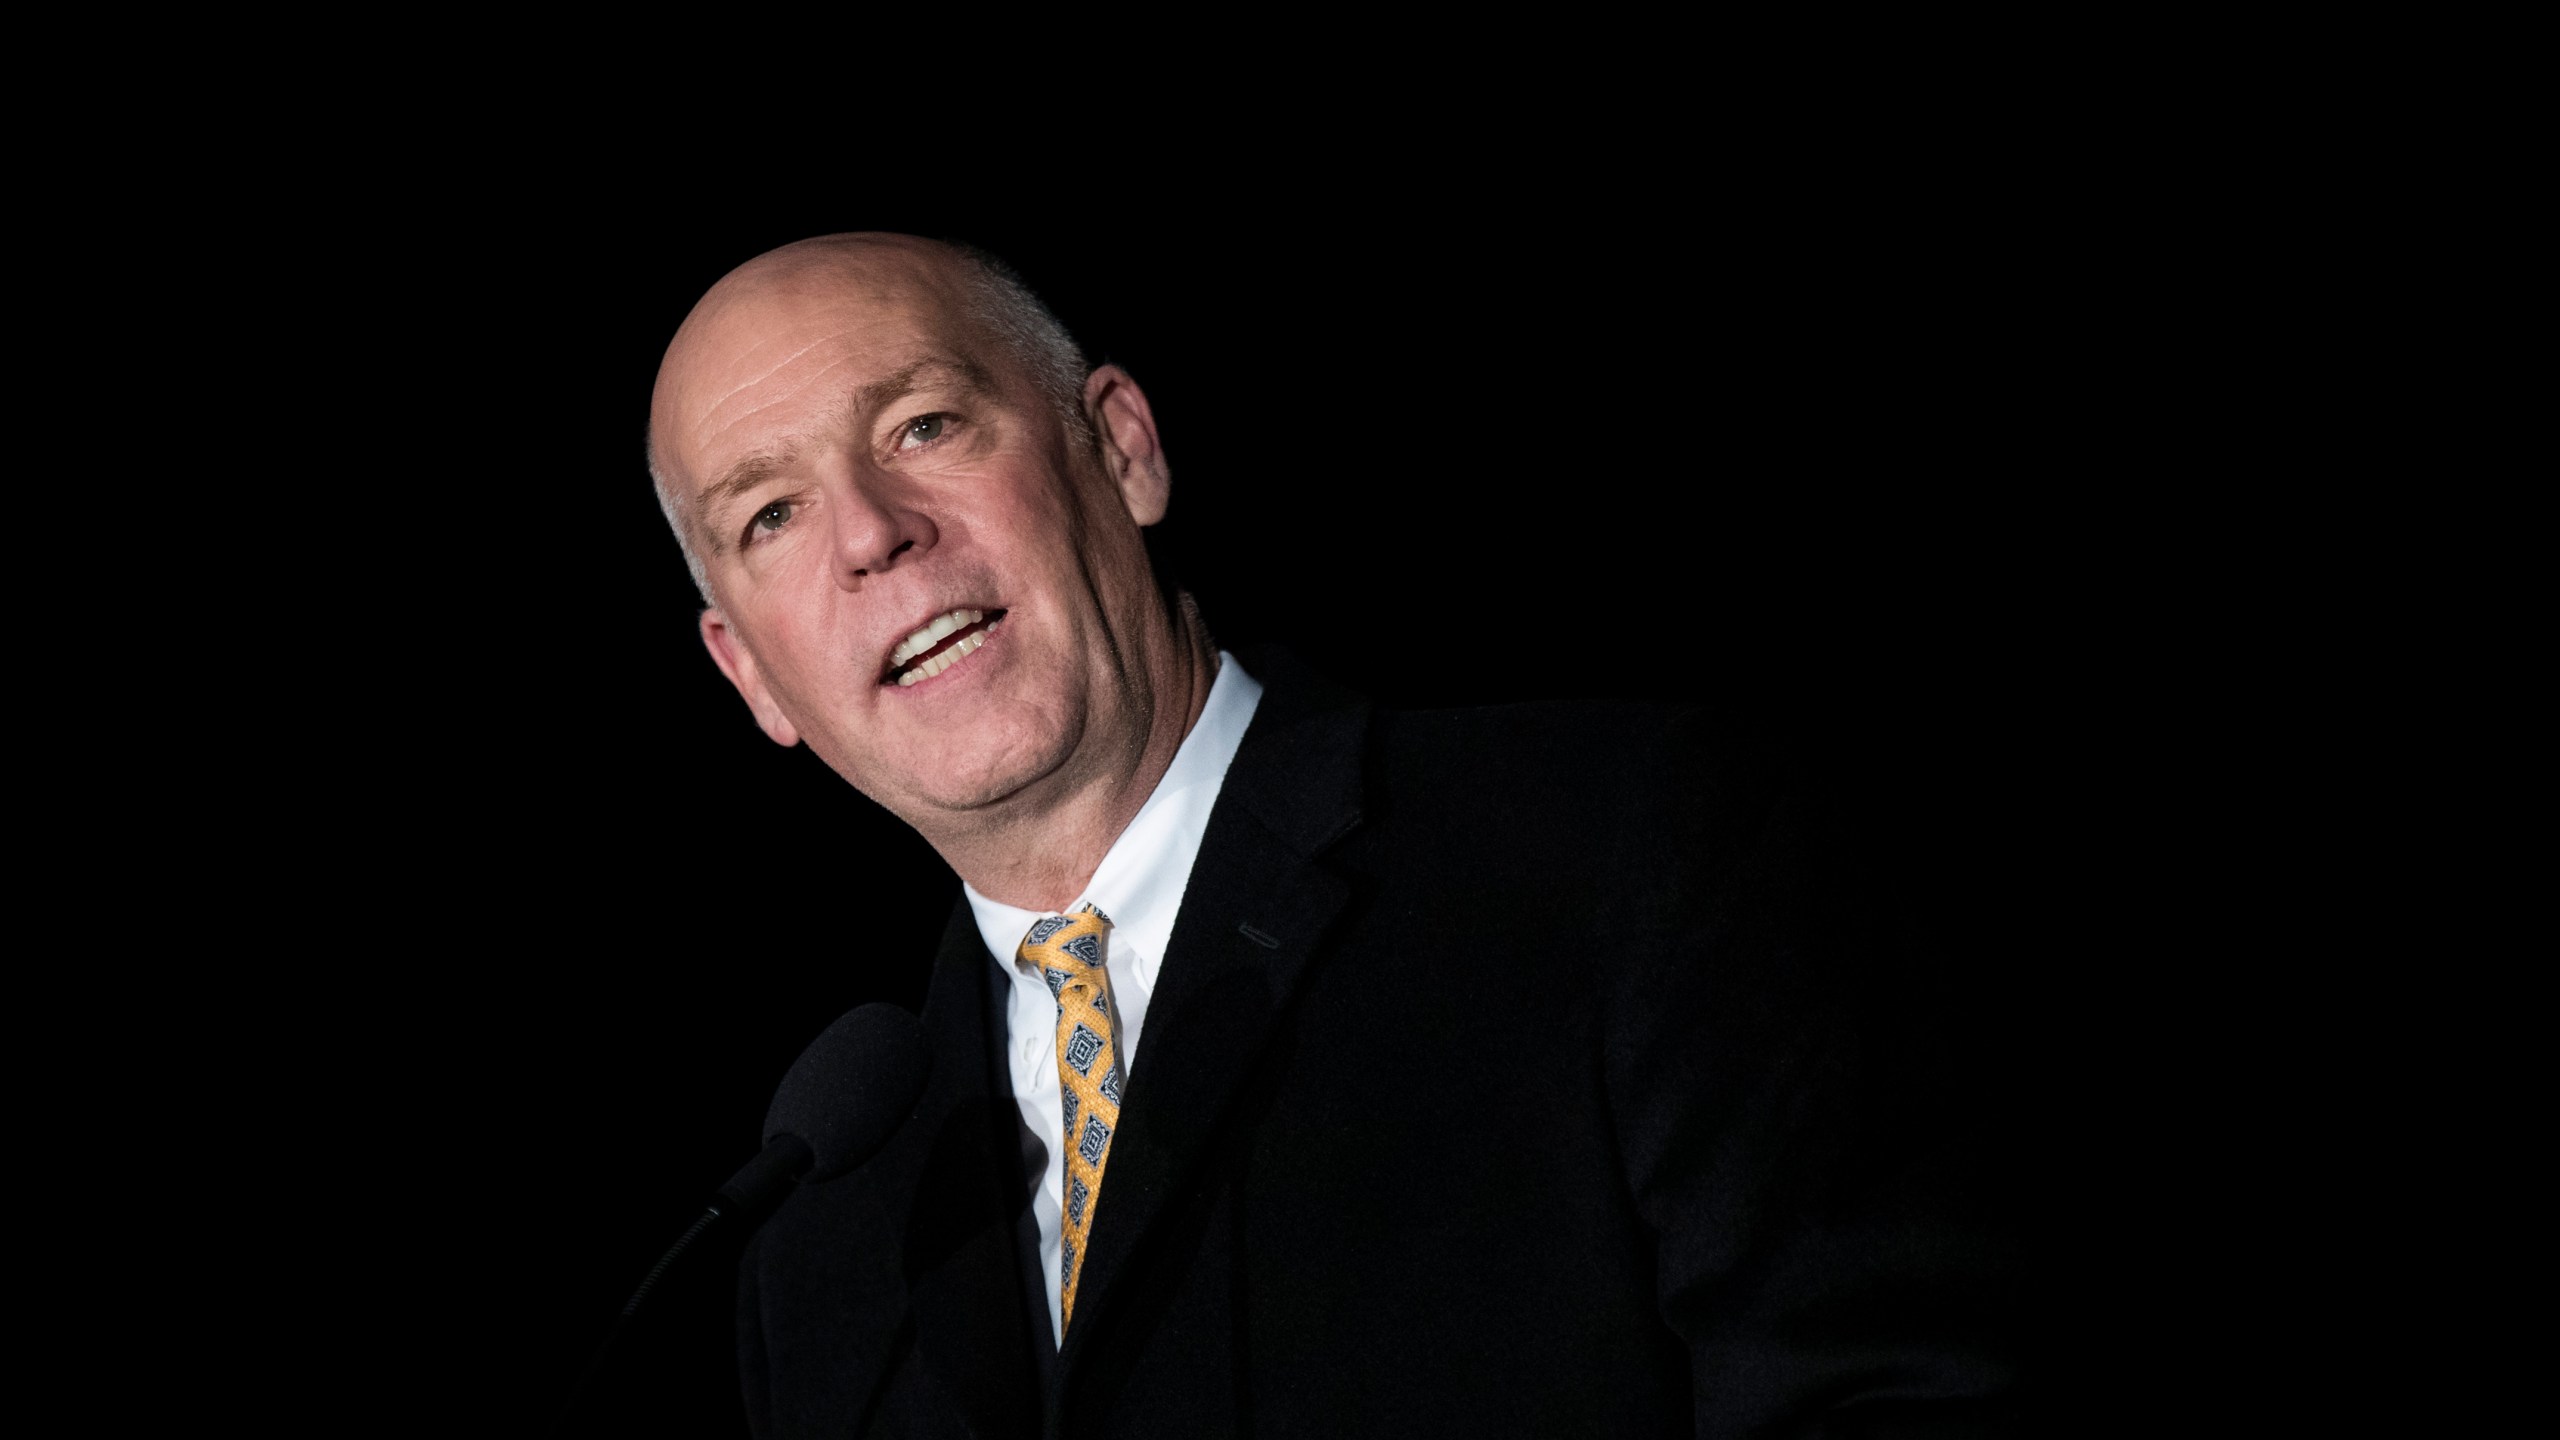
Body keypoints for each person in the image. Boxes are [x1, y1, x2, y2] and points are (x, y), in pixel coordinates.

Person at [646, 233, 2020, 1438]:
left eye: (924, 427)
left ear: (1119, 447)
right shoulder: (821, 1234)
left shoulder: (1625, 853)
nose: (874, 535)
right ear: (750, 675)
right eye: (770, 514)